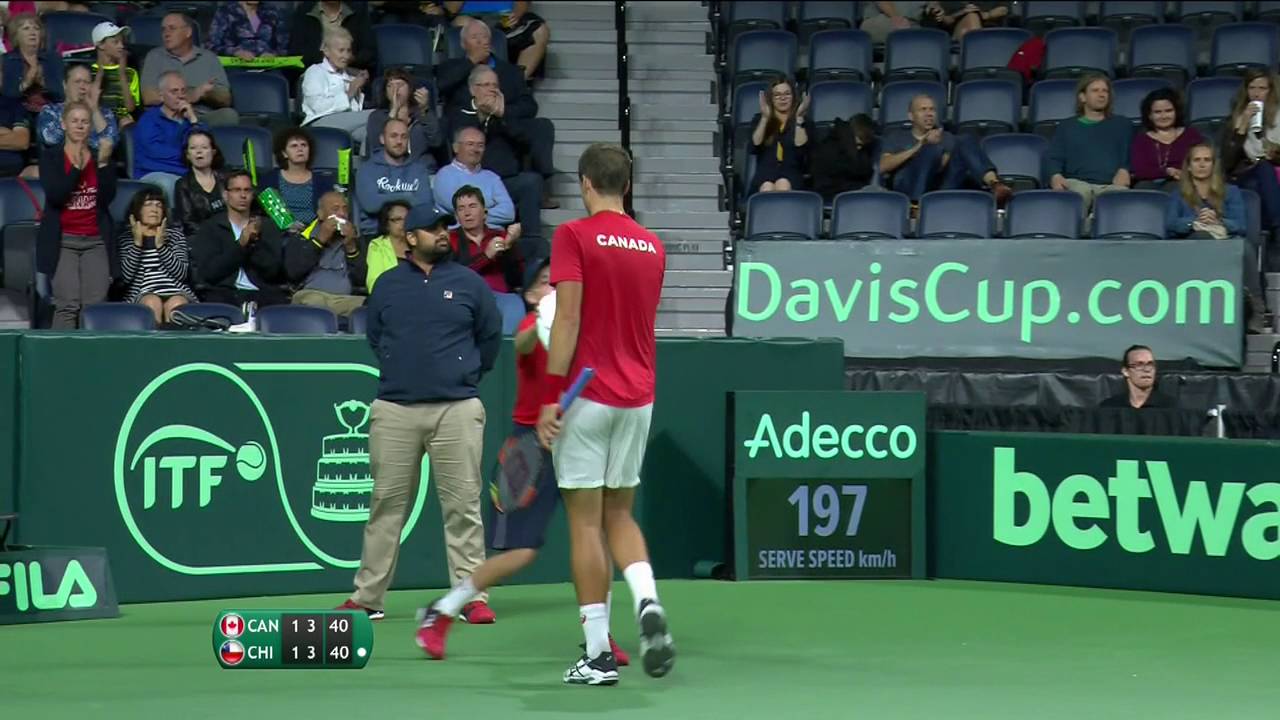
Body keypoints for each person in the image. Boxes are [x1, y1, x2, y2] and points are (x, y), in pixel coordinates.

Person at [414, 258, 632, 665]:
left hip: (577, 443)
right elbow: (530, 341)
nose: (557, 288)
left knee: (595, 540)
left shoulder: (581, 332)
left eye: (561, 283)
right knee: (521, 553)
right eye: (547, 283)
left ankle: (600, 635)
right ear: (532, 295)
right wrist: (548, 319)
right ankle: (441, 612)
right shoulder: (532, 329)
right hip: (532, 447)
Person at [535, 143, 674, 686]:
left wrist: (551, 392)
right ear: (628, 186)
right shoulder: (654, 246)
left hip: (587, 398)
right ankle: (647, 602)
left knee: (585, 523)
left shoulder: (573, 236)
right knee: (620, 515)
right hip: (639, 397)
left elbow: (567, 319)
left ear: (586, 184)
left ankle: (596, 655)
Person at [338, 202, 502, 623]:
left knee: (463, 505)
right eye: (431, 229)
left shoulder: (470, 283)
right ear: (410, 238)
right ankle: (368, 597)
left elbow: (489, 337)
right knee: (385, 504)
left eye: (444, 227)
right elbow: (376, 337)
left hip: (457, 408)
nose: (442, 234)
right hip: (395, 408)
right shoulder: (389, 284)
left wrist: (465, 374)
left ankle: (471, 598)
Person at [1165, 143, 1265, 334]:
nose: (1202, 165)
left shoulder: (1231, 192)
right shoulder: (1178, 194)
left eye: (1207, 160)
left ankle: (1256, 313)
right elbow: (1170, 225)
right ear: (1189, 165)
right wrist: (1193, 222)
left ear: (1213, 165)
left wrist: (1218, 220)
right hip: (1192, 243)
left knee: (1245, 247)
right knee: (1202, 236)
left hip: (1225, 241)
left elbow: (1241, 226)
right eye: (1197, 160)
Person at [38, 101, 118, 329]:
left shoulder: (98, 156)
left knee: (95, 307)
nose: (80, 126)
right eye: (75, 121)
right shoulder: (51, 157)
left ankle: (94, 361)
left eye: (85, 122)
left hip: (95, 240)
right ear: (63, 124)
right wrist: (76, 170)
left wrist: (102, 164)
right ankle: (58, 361)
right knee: (67, 305)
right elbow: (55, 195)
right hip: (63, 241)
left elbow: (105, 200)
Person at [190, 169, 290, 308]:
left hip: (262, 293)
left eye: (247, 190)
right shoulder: (211, 227)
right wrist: (241, 245)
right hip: (224, 294)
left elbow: (272, 270)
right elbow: (210, 273)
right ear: (226, 195)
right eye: (237, 190)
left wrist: (255, 242)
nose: (243, 195)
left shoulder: (267, 226)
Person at [1046, 74, 1133, 215]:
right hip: (1077, 183)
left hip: (1110, 185)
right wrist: (1055, 176)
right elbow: (1054, 156)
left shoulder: (1123, 125)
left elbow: (1131, 153)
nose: (1101, 95)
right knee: (1082, 192)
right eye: (1095, 90)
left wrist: (1125, 169)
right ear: (1082, 97)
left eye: (1105, 91)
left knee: (1118, 196)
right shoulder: (1067, 126)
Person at [139, 13, 238, 127]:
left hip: (202, 116)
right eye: (163, 30)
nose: (166, 34)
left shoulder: (209, 58)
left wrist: (206, 94)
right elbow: (148, 97)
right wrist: (192, 95)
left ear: (188, 32)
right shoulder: (154, 56)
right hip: (168, 116)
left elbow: (226, 99)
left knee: (229, 115)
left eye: (172, 28)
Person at [118, 186, 197, 324]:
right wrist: (137, 243)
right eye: (148, 204)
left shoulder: (175, 236)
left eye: (159, 205)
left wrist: (161, 247)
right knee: (152, 302)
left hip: (176, 290)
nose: (154, 209)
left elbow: (181, 273)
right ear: (137, 210)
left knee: (177, 304)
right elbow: (126, 277)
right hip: (141, 293)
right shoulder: (127, 238)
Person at [284, 190, 367, 317]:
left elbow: (361, 280)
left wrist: (351, 247)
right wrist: (319, 240)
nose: (342, 214)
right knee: (314, 304)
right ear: (321, 214)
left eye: (345, 209)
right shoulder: (301, 238)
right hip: (310, 296)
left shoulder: (356, 240)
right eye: (335, 209)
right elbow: (294, 273)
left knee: (369, 305)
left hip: (344, 300)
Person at [300, 27, 373, 149]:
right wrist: (350, 92)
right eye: (341, 50)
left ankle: (365, 166)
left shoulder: (350, 76)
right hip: (320, 122)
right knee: (377, 116)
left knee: (373, 133)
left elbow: (355, 110)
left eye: (348, 51)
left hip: (347, 125)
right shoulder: (315, 72)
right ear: (326, 51)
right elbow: (318, 107)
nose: (346, 56)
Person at [448, 184, 523, 293]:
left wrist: (510, 246)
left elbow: (517, 278)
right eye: (461, 209)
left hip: (501, 296)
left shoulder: (500, 236)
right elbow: (455, 277)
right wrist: (485, 257)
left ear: (485, 213)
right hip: (465, 296)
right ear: (456, 216)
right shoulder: (450, 239)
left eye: (472, 206)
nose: (467, 213)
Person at [1129, 87, 1202, 190]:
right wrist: (1167, 172)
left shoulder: (1191, 135)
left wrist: (1184, 174)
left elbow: (1200, 164)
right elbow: (1140, 171)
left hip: (1182, 184)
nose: (1163, 116)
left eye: (1168, 111)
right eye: (1157, 112)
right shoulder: (1141, 140)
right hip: (1148, 186)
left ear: (1176, 112)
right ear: (1150, 115)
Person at [748, 77, 811, 195]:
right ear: (771, 99)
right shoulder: (759, 119)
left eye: (787, 94)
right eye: (777, 95)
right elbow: (754, 146)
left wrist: (799, 118)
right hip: (765, 174)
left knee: (783, 184)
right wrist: (765, 118)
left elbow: (802, 150)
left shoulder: (804, 121)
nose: (782, 98)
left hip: (793, 174)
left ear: (794, 97)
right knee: (767, 186)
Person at [36, 64, 118, 153]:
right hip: (60, 163)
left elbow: (110, 144)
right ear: (65, 85)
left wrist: (94, 110)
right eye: (77, 82)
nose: (82, 87)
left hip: (94, 164)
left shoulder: (105, 113)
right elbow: (50, 138)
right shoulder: (51, 111)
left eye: (86, 82)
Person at [172, 129, 227, 238]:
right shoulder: (182, 185)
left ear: (213, 152)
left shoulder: (227, 178)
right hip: (203, 239)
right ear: (187, 154)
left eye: (204, 147)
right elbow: (189, 223)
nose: (199, 151)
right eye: (193, 148)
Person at [91, 22, 138, 129]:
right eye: (115, 42)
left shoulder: (130, 73)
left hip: (121, 121)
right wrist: (99, 74)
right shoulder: (88, 72)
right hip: (96, 118)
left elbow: (130, 108)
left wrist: (122, 75)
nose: (121, 46)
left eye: (122, 42)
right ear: (101, 45)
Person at [1100, 345, 1175, 409]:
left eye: (1150, 364)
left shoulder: (1170, 408)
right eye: (1139, 365)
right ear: (1125, 371)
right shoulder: (1110, 408)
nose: (1146, 369)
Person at [365, 199, 410, 291]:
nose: (404, 223)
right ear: (386, 224)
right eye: (398, 219)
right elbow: (374, 283)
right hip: (390, 296)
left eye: (407, 218)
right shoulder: (377, 246)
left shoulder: (419, 243)